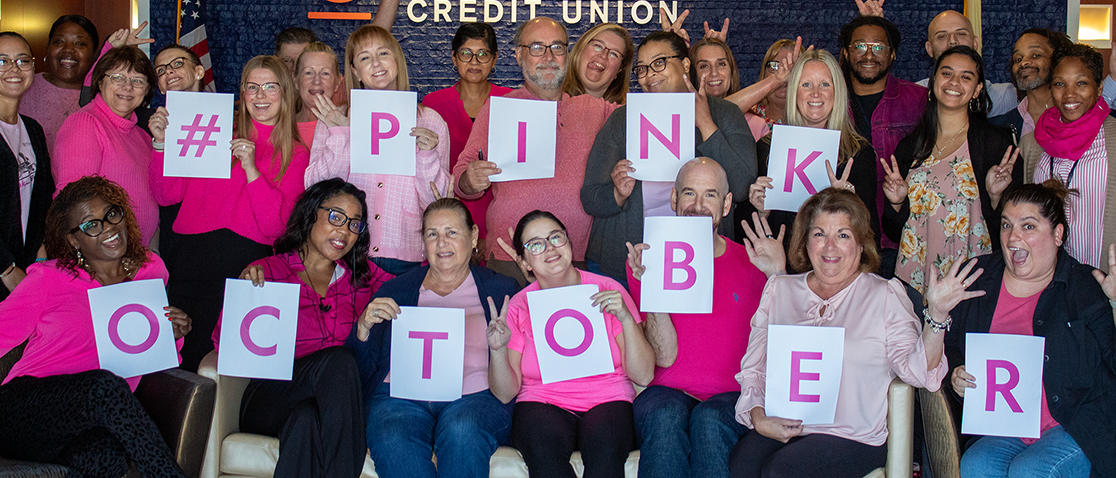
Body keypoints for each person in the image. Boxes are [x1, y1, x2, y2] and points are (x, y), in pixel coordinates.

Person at [729, 187, 950, 478]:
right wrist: (758, 416)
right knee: (742, 464)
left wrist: (937, 316)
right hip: (786, 423)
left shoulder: (885, 295)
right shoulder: (779, 289)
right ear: (806, 241)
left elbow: (919, 373)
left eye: (843, 235)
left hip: (852, 435)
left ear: (861, 244)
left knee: (781, 471)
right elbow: (755, 368)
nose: (829, 246)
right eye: (819, 234)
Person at [0, 176, 190, 477]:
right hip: (24, 410)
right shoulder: (48, 279)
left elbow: (146, 354)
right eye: (91, 225)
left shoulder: (150, 271)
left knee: (106, 456)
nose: (109, 228)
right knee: (102, 385)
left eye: (112, 214)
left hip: (83, 424)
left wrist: (173, 334)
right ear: (73, 240)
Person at [215, 178, 391, 478]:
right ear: (311, 214)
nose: (345, 231)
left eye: (354, 224)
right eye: (336, 217)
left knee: (306, 419)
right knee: (339, 361)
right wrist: (243, 298)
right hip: (268, 399)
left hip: (323, 408)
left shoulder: (364, 278)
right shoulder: (268, 271)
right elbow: (225, 347)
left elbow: (415, 291)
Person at [148, 55, 310, 371]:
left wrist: (251, 170)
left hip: (245, 269)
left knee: (223, 369)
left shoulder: (296, 153)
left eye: (270, 86)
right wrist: (161, 145)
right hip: (191, 262)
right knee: (173, 360)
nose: (260, 95)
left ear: (285, 92)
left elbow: (275, 228)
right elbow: (167, 195)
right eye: (252, 87)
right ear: (243, 93)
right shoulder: (216, 129)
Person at [945, 181, 1116, 477]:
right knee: (975, 463)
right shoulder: (977, 278)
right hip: (1006, 428)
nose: (1013, 237)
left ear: (1058, 234)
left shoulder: (1085, 286)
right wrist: (956, 374)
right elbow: (948, 349)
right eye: (1006, 225)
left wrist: (1115, 305)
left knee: (1030, 470)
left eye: (1028, 226)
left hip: (1074, 425)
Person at [625, 159, 782, 478]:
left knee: (709, 419)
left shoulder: (754, 261)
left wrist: (778, 274)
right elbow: (665, 357)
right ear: (673, 198)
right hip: (667, 393)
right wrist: (652, 286)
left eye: (710, 194)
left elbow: (785, 340)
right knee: (666, 414)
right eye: (688, 193)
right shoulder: (646, 262)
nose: (697, 205)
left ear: (726, 204)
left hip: (732, 398)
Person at [347, 198, 519, 478]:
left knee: (462, 430)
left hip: (474, 398)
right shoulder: (395, 289)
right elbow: (361, 369)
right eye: (432, 234)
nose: (442, 243)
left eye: (452, 232)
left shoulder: (503, 290)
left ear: (473, 235)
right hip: (400, 398)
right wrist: (363, 329)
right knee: (391, 434)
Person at [487, 210, 655, 478]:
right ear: (525, 262)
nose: (549, 248)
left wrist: (625, 318)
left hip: (609, 399)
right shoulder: (519, 306)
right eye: (535, 244)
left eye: (556, 237)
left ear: (569, 242)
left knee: (605, 456)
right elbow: (505, 393)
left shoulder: (608, 289)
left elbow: (644, 375)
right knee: (544, 456)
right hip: (542, 402)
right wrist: (497, 351)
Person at [454, 17, 619, 286]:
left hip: (571, 258)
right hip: (509, 256)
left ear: (567, 55)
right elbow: (462, 177)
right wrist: (470, 180)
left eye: (557, 47)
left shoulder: (594, 108)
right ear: (519, 55)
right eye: (537, 47)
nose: (548, 57)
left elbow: (653, 118)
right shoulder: (497, 109)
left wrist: (678, 64)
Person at [581, 30, 755, 284]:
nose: (650, 74)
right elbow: (591, 198)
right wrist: (617, 194)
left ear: (685, 64)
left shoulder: (724, 114)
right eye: (642, 68)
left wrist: (706, 124)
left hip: (700, 264)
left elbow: (740, 188)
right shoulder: (623, 120)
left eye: (659, 63)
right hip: (626, 264)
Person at [306, 25, 450, 277]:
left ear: (397, 59)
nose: (376, 63)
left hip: (406, 255)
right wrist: (342, 134)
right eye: (364, 58)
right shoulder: (334, 117)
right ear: (354, 71)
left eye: (383, 53)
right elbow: (315, 189)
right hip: (346, 250)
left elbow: (438, 203)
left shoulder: (430, 120)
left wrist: (426, 157)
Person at [881, 46, 1020, 292]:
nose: (954, 82)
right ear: (934, 81)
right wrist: (896, 203)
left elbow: (1014, 227)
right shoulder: (910, 146)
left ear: (977, 89)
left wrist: (995, 196)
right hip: (915, 279)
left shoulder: (995, 144)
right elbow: (894, 232)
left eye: (966, 77)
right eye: (946, 73)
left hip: (972, 278)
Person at [743, 49, 881, 269]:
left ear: (837, 92)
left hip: (836, 274)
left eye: (825, 84)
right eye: (806, 84)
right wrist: (762, 212)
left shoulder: (858, 153)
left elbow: (871, 238)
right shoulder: (766, 148)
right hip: (780, 273)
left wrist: (848, 205)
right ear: (794, 92)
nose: (816, 93)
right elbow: (746, 238)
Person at [1020, 43, 1116, 269]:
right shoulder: (1032, 144)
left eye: (1081, 83)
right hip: (1045, 276)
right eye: (1059, 84)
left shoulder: (1113, 140)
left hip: (1101, 275)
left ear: (1099, 88)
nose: (1069, 94)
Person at [53, 46, 160, 248]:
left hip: (139, 256)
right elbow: (74, 202)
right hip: (102, 258)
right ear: (100, 82)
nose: (127, 87)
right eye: (118, 78)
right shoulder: (85, 123)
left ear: (147, 90)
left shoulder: (144, 136)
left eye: (137, 81)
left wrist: (152, 251)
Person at [838, 15, 928, 249]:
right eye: (860, 46)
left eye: (878, 47)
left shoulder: (919, 100)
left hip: (903, 236)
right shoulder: (829, 101)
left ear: (892, 54)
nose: (869, 55)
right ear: (846, 53)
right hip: (842, 235)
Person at [422, 23, 513, 244]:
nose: (474, 62)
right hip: (447, 217)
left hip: (500, 218)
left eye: (483, 54)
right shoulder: (432, 105)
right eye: (466, 53)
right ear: (454, 58)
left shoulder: (512, 102)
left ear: (494, 59)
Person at [0, 32, 53, 300]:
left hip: (27, 266)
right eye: (2, 61)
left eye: (23, 60)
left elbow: (43, 196)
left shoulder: (32, 129)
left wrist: (41, 249)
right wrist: (7, 270)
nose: (14, 68)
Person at [151, 43, 207, 268]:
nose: (169, 72)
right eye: (161, 70)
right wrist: (160, 143)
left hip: (220, 234)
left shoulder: (231, 122)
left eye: (177, 64)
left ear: (199, 71)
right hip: (178, 239)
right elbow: (165, 196)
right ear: (160, 87)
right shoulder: (155, 126)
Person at [19, 15, 97, 157]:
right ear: (48, 49)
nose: (68, 50)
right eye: (59, 41)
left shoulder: (103, 96)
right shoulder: (24, 87)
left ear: (94, 54)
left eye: (80, 43)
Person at [990, 29, 1073, 140]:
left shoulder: (1080, 119)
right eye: (1018, 59)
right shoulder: (997, 128)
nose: (1023, 63)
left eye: (1035, 55)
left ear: (1059, 60)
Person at [561, 23, 634, 104]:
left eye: (613, 54)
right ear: (580, 49)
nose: (603, 56)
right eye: (598, 46)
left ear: (620, 70)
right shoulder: (552, 102)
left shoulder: (628, 111)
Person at [293, 41, 343, 148]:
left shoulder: (348, 127)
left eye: (325, 73)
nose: (316, 81)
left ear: (337, 83)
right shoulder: (281, 127)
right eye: (308, 73)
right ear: (296, 81)